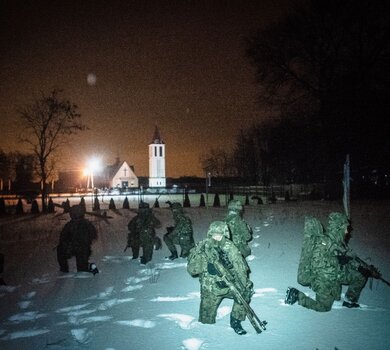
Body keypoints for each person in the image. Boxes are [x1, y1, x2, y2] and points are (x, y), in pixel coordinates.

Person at [285, 212, 374, 311]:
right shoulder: (324, 242)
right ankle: (297, 295)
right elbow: (317, 264)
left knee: (360, 276)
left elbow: (349, 258)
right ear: (338, 228)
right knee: (324, 307)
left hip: (335, 273)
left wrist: (361, 267)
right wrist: (337, 261)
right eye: (345, 228)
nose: (347, 232)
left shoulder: (338, 242)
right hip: (322, 277)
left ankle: (349, 300)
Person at [187, 221, 254, 335]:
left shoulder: (230, 248)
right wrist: (203, 262)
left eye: (220, 234)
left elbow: (241, 270)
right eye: (214, 234)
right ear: (210, 233)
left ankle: (235, 321)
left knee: (245, 293)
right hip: (210, 288)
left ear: (225, 234)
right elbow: (192, 270)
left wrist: (242, 286)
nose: (217, 237)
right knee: (205, 322)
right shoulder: (203, 246)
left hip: (228, 284)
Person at [57, 205, 98, 273]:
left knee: (60, 251)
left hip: (75, 248)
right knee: (82, 268)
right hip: (82, 249)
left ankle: (64, 269)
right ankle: (89, 267)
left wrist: (68, 244)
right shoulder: (87, 224)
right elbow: (93, 235)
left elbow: (63, 238)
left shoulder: (70, 225)